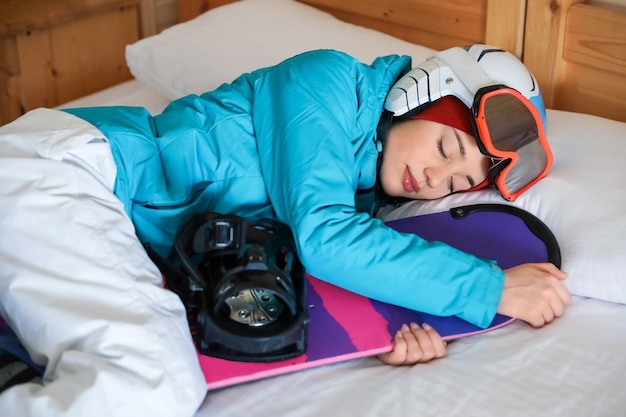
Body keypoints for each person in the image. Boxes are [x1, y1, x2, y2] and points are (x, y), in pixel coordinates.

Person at [0, 47, 570, 416]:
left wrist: (389, 332)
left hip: (86, 211)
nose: (434, 180)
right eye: (447, 147)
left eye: (456, 184)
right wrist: (489, 288)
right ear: (424, 92)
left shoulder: (361, 198)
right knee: (147, 383)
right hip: (75, 170)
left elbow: (318, 266)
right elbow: (326, 239)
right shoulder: (327, 82)